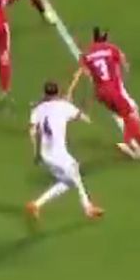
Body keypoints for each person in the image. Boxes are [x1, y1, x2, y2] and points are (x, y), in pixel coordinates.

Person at [68, 27, 140, 158]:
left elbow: (83, 73)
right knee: (131, 113)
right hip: (114, 90)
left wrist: (71, 93)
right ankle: (136, 145)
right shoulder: (111, 48)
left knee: (126, 113)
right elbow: (125, 64)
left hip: (101, 93)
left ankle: (135, 142)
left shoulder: (86, 54)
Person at [26, 81, 104, 221]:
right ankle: (88, 207)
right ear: (58, 92)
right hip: (58, 153)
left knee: (68, 181)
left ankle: (36, 204)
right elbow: (84, 117)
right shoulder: (64, 106)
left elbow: (32, 132)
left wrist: (36, 154)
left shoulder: (37, 110)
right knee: (75, 171)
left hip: (45, 153)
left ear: (45, 93)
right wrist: (78, 108)